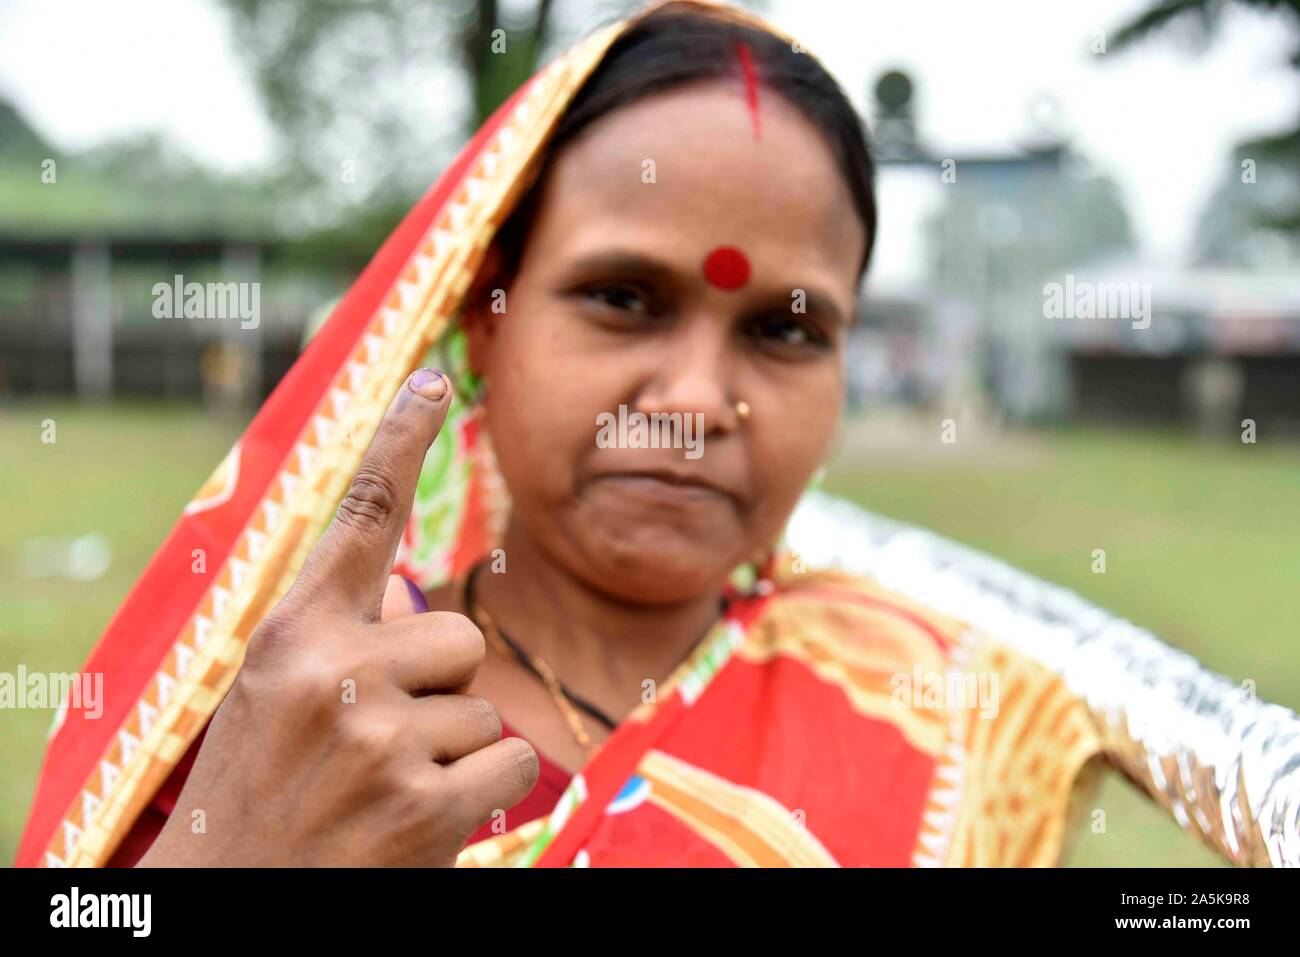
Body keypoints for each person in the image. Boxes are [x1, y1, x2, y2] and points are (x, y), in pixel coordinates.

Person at [18, 0, 1107, 869]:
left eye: (785, 327)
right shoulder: (298, 709)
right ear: (485, 318)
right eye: (624, 299)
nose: (692, 398)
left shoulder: (946, 720)